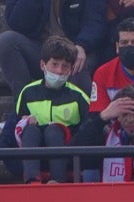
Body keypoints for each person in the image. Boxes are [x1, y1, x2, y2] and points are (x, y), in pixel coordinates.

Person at [9, 35, 91, 184]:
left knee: (53, 130)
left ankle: (57, 181)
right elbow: (16, 124)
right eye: (54, 64)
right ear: (43, 65)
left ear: (71, 69)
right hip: (35, 149)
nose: (59, 71)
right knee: (30, 129)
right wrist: (25, 122)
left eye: (65, 66)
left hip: (66, 153)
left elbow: (86, 130)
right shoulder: (27, 93)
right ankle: (32, 180)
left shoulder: (78, 96)